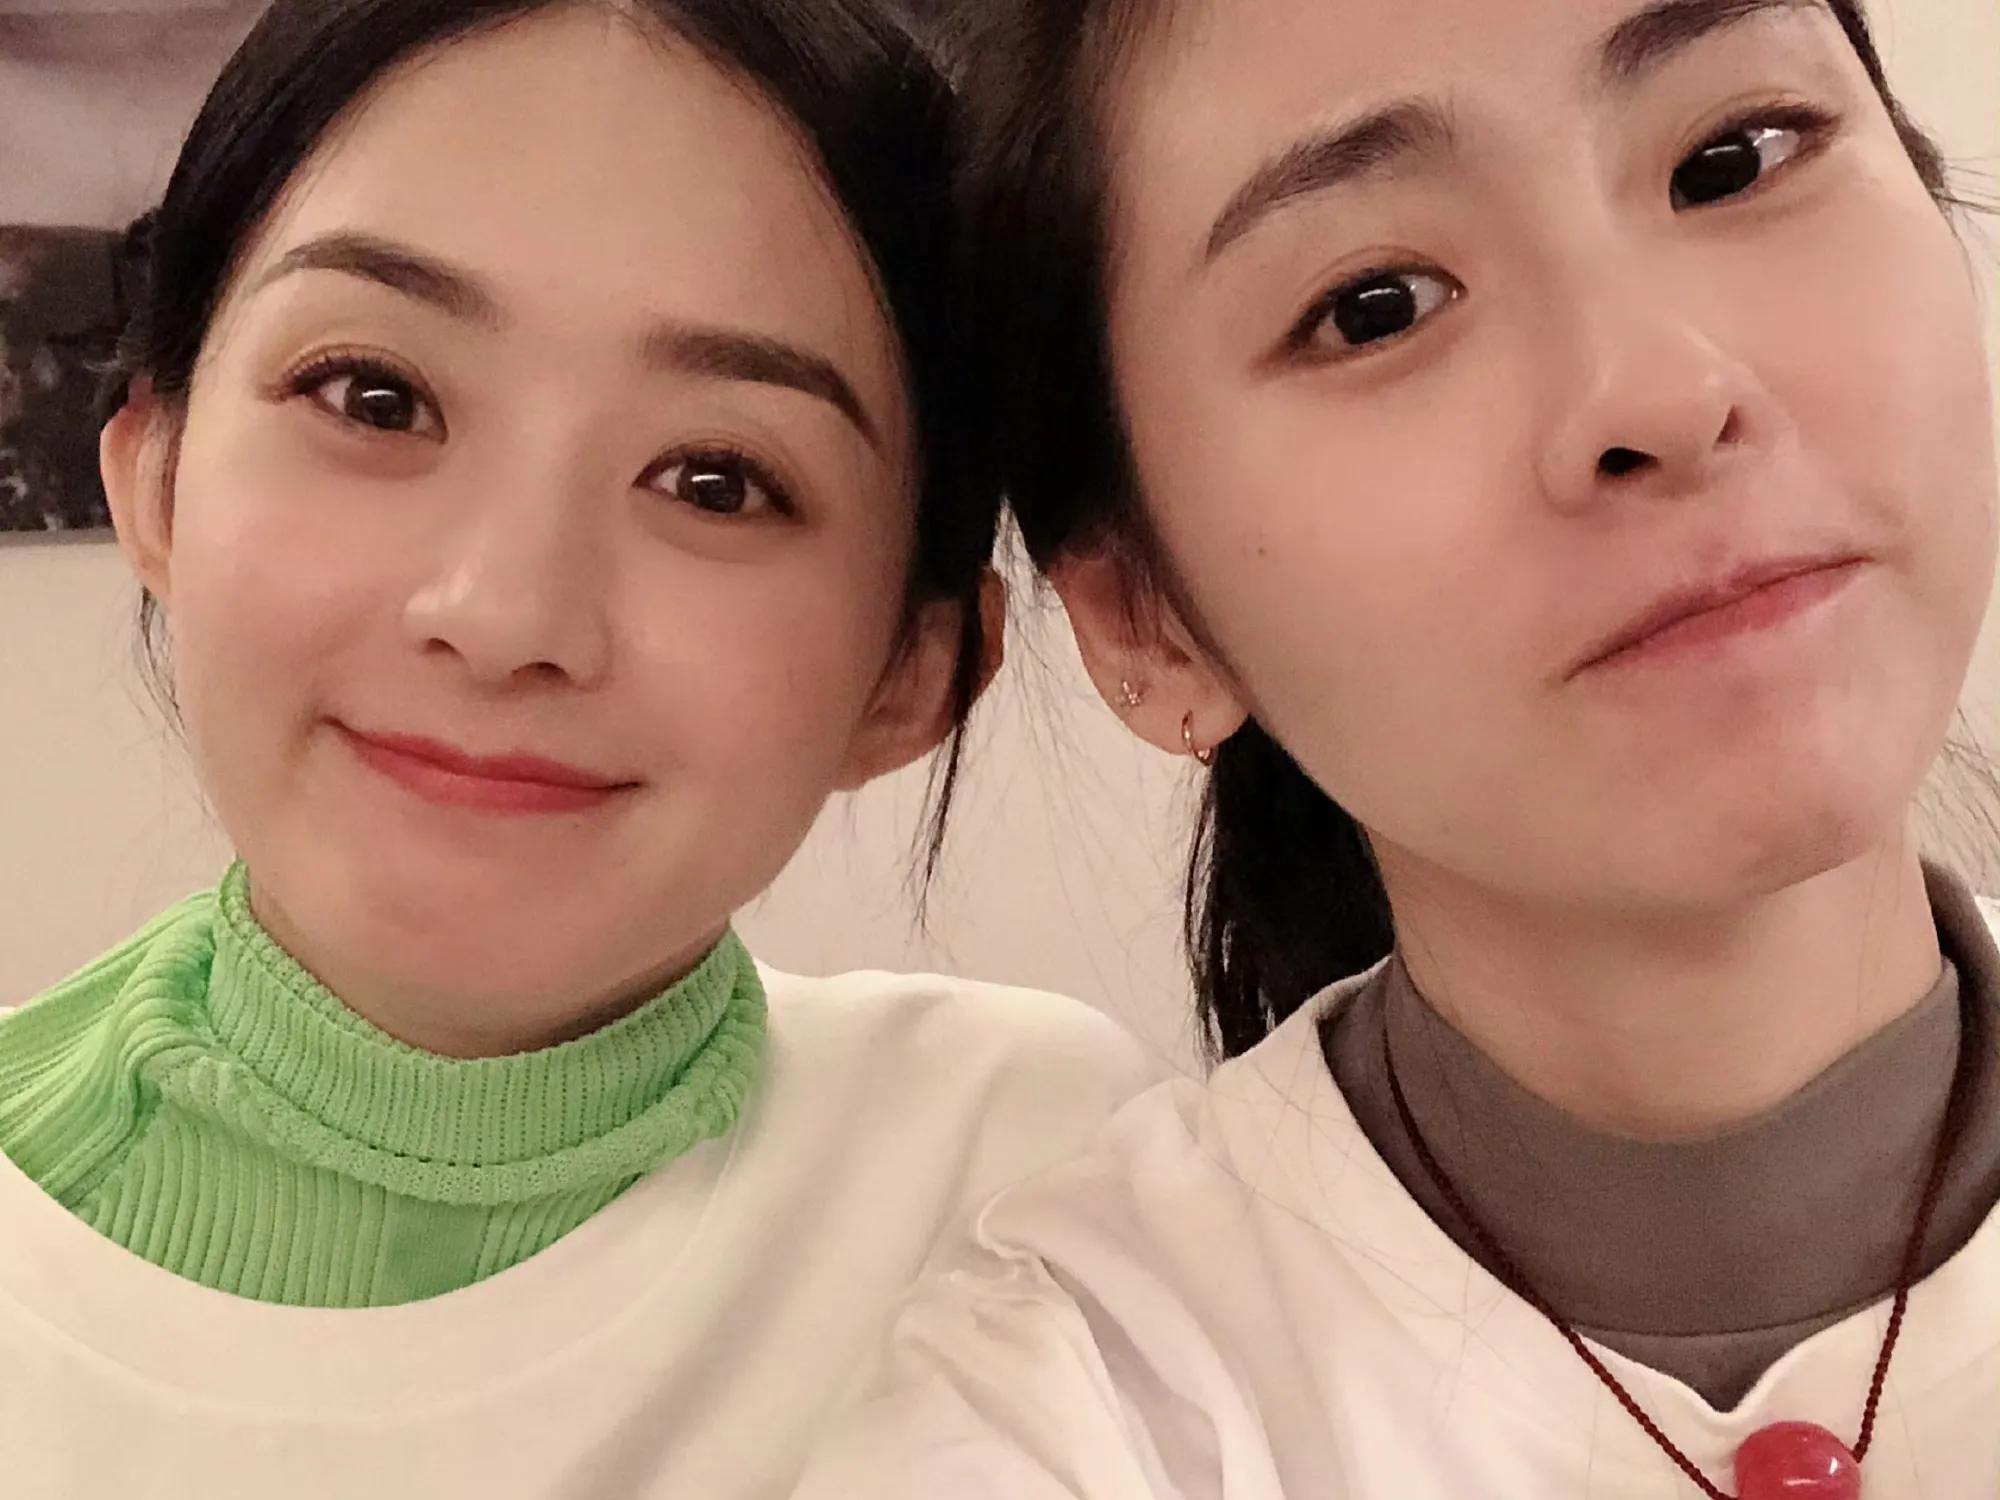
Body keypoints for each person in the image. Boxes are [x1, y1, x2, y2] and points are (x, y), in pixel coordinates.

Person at [795, 0, 2000, 1494]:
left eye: (1733, 157)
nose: (1668, 390)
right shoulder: (1073, 1407)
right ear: (1149, 620)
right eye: (1376, 306)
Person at [0, 3, 1147, 1495]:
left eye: (716, 481)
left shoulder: (1033, 1184)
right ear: (154, 479)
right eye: (375, 397)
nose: (505, 616)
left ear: (912, 674)